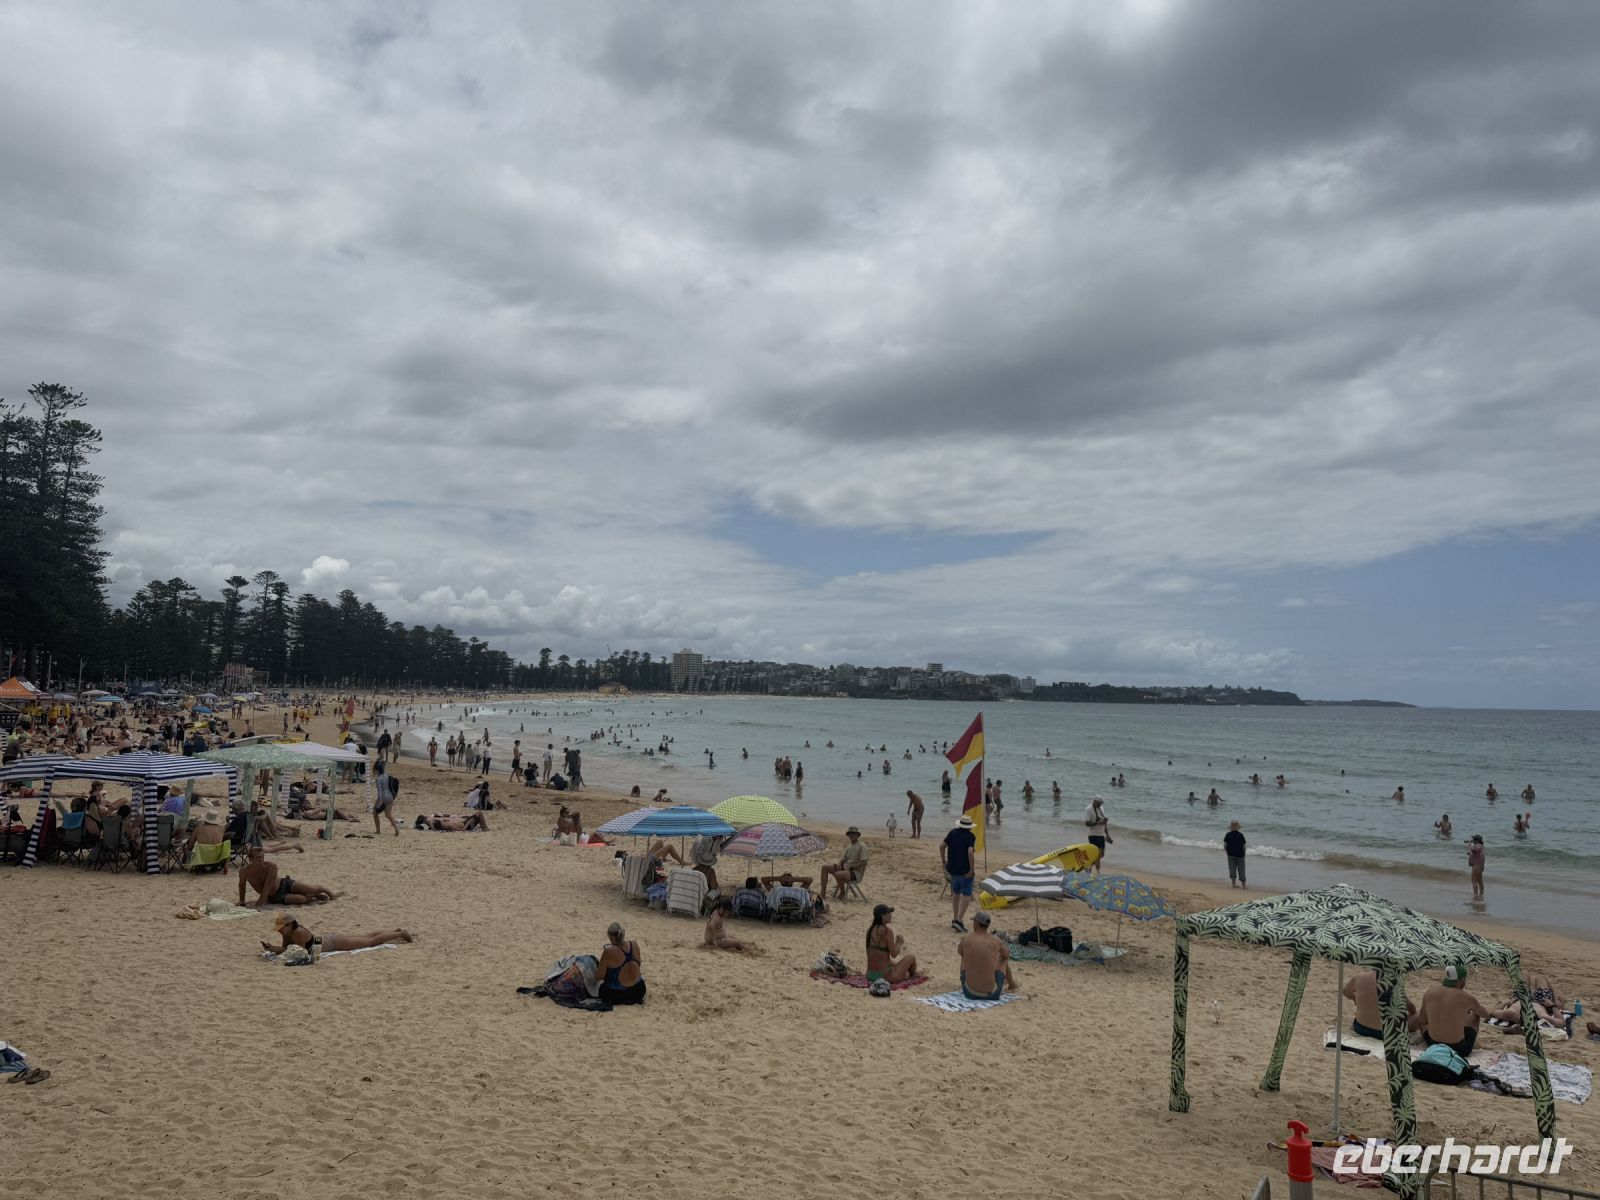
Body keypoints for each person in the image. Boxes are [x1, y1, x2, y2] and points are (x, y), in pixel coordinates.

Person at [1416, 965, 1489, 1056]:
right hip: (1459, 1049)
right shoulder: (1466, 997)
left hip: (1434, 1045)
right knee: (1474, 1016)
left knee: (1422, 1022)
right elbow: (1485, 1014)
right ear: (1462, 980)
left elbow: (1422, 1020)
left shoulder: (1429, 992)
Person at [263, 914, 412, 957]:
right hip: (329, 940)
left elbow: (300, 953)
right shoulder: (288, 932)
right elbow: (287, 949)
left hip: (336, 943)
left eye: (281, 928)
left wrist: (277, 950)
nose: (279, 931)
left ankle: (400, 933)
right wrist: (273, 948)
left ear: (289, 925)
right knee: (367, 936)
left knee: (371, 941)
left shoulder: (298, 932)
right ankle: (394, 930)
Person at [238, 846, 338, 906]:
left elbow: (267, 887)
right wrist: (242, 900)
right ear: (250, 858)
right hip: (274, 896)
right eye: (258, 857)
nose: (261, 859)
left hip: (284, 883)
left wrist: (258, 905)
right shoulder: (244, 871)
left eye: (262, 857)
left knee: (310, 889)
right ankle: (314, 894)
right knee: (302, 900)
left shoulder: (271, 866)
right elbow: (242, 885)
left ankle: (326, 891)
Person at [1342, 969, 1419, 1038]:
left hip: (1361, 1028)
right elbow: (1411, 1008)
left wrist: (1356, 999)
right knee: (1415, 1017)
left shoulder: (1359, 977)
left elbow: (1346, 992)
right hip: (1387, 1033)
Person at [956, 912, 1016, 1001]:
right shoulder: (996, 941)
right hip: (992, 994)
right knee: (1003, 959)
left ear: (976, 924)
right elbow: (1007, 955)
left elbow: (960, 952)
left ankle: (973, 981)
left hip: (969, 992)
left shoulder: (966, 939)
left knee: (964, 956)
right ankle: (1012, 984)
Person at [941, 814, 978, 931]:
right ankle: (959, 920)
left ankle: (955, 918)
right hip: (964, 870)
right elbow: (970, 852)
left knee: (956, 894)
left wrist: (943, 861)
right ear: (969, 827)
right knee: (967, 895)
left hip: (952, 869)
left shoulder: (952, 833)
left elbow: (942, 846)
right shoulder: (970, 836)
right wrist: (971, 870)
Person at [1487, 973, 1563, 1029]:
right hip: (1541, 1002)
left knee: (1524, 975)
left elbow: (1492, 1012)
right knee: (1541, 978)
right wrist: (1552, 1006)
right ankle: (1554, 998)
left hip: (1520, 999)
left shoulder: (1510, 1013)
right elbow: (1561, 1022)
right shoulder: (1541, 1016)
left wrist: (1506, 1002)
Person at [865, 904, 918, 982]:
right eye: (888, 913)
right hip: (885, 976)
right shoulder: (887, 931)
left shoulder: (869, 931)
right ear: (882, 916)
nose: (891, 915)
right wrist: (899, 943)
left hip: (870, 975)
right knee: (911, 957)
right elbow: (894, 954)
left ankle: (905, 974)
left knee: (890, 962)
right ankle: (913, 977)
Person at [597, 922, 645, 1005]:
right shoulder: (634, 944)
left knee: (601, 988)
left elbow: (599, 976)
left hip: (618, 994)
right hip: (639, 990)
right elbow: (638, 965)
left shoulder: (608, 951)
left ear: (611, 938)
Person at [821, 827, 868, 899]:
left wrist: (852, 867)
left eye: (853, 833)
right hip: (846, 869)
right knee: (825, 867)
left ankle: (842, 892)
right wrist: (839, 864)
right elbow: (842, 859)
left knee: (838, 874)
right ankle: (822, 894)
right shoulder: (849, 846)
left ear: (857, 835)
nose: (851, 835)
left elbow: (864, 862)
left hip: (856, 873)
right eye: (850, 834)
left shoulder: (862, 846)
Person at [371, 762, 401, 836]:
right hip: (390, 797)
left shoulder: (378, 779)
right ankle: (396, 829)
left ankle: (378, 830)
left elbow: (380, 792)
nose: (373, 771)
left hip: (384, 798)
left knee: (375, 813)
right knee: (388, 815)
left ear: (377, 770)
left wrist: (379, 802)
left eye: (374, 770)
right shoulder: (386, 775)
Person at [1084, 797, 1110, 873]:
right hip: (1093, 834)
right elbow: (1087, 823)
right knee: (1097, 853)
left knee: (1102, 854)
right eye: (1099, 803)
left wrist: (1107, 834)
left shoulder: (1101, 808)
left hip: (1101, 834)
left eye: (1101, 803)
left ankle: (1088, 866)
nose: (1100, 805)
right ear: (1094, 801)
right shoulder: (1089, 809)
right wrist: (1097, 823)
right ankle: (1098, 871)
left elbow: (1104, 822)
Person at [1223, 820, 1246, 888]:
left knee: (1232, 869)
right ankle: (1244, 886)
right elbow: (1244, 846)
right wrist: (1244, 854)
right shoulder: (1241, 835)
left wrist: (1227, 852)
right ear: (1238, 827)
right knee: (1241, 870)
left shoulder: (1228, 835)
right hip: (1240, 855)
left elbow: (1225, 845)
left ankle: (1233, 885)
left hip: (1230, 854)